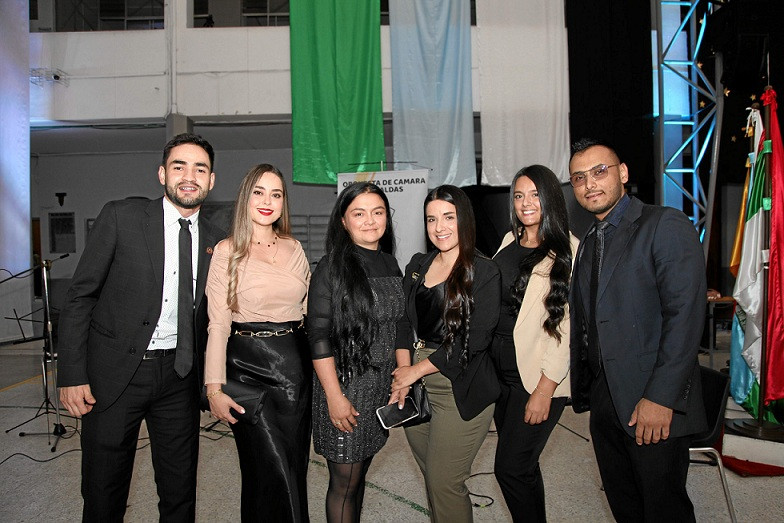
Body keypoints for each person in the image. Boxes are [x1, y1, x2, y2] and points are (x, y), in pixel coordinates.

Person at [57, 133, 223, 521]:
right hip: (114, 376)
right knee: (104, 492)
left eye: (200, 169)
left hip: (180, 378)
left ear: (212, 180)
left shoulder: (218, 240)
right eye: (179, 166)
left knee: (180, 492)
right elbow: (80, 297)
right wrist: (71, 375)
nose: (189, 176)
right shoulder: (122, 217)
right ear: (162, 174)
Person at [568, 138, 707, 522]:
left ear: (623, 173)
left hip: (654, 400)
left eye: (599, 171)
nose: (589, 184)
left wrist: (661, 398)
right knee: (625, 506)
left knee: (663, 510)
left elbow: (684, 318)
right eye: (578, 178)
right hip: (606, 399)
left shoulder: (664, 224)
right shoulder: (590, 240)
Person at [204, 164, 311, 522]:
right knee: (266, 467)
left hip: (294, 369)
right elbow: (217, 324)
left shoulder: (295, 247)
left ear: (283, 202)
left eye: (276, 194)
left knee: (293, 465)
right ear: (245, 199)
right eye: (259, 192)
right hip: (246, 368)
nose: (267, 201)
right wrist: (214, 389)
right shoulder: (227, 250)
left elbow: (309, 311)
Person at [391, 185, 501, 523]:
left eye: (448, 217)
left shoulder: (485, 271)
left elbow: (474, 340)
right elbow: (402, 321)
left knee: (445, 482)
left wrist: (415, 371)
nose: (439, 227)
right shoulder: (417, 264)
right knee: (433, 478)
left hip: (460, 386)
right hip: (416, 386)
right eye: (431, 219)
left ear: (464, 219)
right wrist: (404, 374)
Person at [307, 182, 404, 522]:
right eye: (358, 213)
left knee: (359, 474)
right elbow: (318, 336)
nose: (370, 221)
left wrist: (401, 378)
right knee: (345, 484)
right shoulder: (331, 267)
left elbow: (400, 325)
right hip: (344, 386)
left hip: (379, 388)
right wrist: (335, 397)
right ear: (343, 221)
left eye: (378, 212)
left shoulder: (391, 263)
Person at [491, 165, 578, 522]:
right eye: (519, 195)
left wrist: (545, 389)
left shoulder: (569, 250)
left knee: (510, 469)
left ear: (551, 199)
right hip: (500, 375)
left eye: (535, 195)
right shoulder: (509, 241)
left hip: (535, 378)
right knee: (523, 466)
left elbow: (567, 329)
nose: (526, 203)